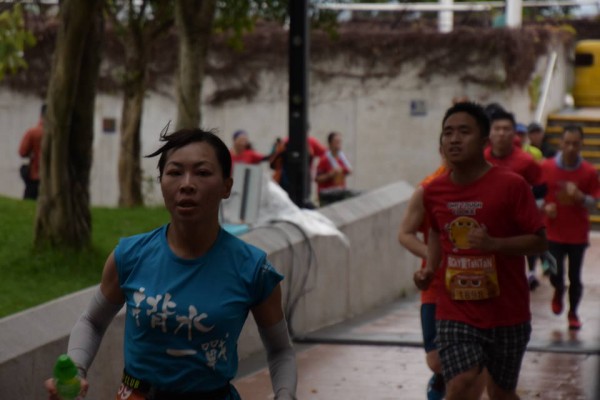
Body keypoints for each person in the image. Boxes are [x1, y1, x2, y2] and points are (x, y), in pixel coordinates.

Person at [45, 128, 297, 400]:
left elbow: (280, 350)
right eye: (175, 172)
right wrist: (76, 371)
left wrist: (285, 395)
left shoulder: (254, 269)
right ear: (162, 182)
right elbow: (92, 321)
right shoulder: (130, 256)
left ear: (226, 186)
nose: (187, 184)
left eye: (202, 173)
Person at [414, 102, 547, 400]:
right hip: (455, 310)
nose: (454, 139)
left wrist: (494, 245)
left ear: (484, 141)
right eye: (448, 133)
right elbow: (436, 231)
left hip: (507, 312)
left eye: (464, 132)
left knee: (501, 393)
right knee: (460, 384)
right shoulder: (433, 191)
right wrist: (429, 269)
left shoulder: (512, 185)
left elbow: (539, 241)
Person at [540, 125, 600, 330]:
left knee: (575, 276)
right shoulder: (546, 167)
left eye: (575, 144)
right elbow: (534, 194)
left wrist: (580, 197)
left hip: (577, 234)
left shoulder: (588, 171)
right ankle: (558, 289)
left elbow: (594, 202)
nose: (571, 148)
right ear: (561, 143)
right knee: (554, 271)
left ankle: (573, 312)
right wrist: (544, 207)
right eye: (567, 143)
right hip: (553, 231)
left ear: (582, 144)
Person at [398, 159, 448, 400]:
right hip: (435, 284)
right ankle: (441, 378)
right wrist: (432, 256)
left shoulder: (490, 184)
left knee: (471, 366)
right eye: (449, 141)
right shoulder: (428, 189)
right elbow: (405, 233)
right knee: (436, 360)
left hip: (476, 284)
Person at [485, 110, 546, 291]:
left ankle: (531, 272)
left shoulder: (526, 161)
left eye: (506, 129)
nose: (501, 133)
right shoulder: (480, 159)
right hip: (485, 225)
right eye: (497, 128)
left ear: (514, 133)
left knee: (510, 276)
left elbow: (542, 186)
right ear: (489, 133)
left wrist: (534, 208)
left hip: (516, 228)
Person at [315, 131, 354, 207]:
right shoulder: (324, 160)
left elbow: (348, 171)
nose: (338, 144)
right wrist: (330, 174)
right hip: (328, 197)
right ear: (330, 143)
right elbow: (317, 178)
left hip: (340, 194)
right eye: (336, 142)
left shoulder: (342, 159)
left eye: (340, 141)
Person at [18, 103, 46, 200]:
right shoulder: (58, 135)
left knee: (28, 202)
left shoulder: (33, 132)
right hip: (52, 179)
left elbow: (22, 152)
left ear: (41, 115)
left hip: (34, 176)